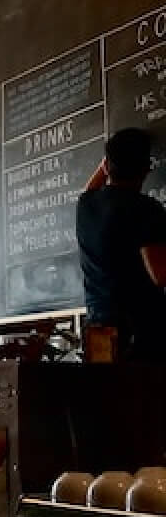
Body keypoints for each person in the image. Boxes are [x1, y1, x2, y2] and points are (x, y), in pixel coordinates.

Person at [76, 128, 166, 362]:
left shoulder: (85, 205)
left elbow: (92, 186)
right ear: (147, 168)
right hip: (140, 333)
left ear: (106, 166)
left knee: (107, 386)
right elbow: (159, 274)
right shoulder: (147, 209)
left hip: (98, 330)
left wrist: (109, 163)